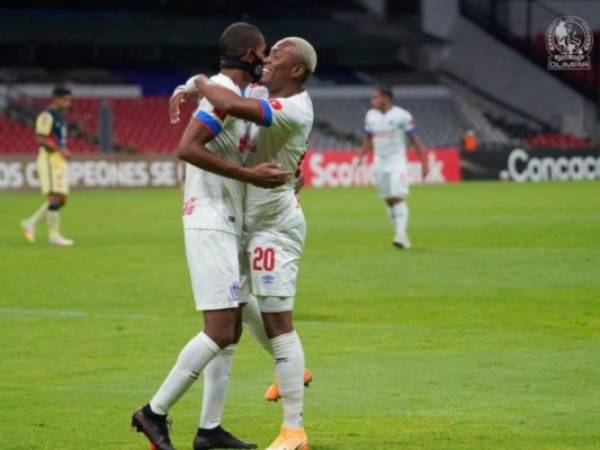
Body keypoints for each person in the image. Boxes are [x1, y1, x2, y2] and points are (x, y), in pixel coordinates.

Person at [131, 23, 291, 450]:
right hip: (208, 219)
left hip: (229, 220)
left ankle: (209, 431)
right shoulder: (221, 94)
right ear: (247, 54)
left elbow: (259, 100)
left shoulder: (238, 95)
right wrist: (247, 174)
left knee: (233, 328)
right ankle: (153, 412)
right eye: (262, 53)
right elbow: (186, 148)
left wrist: (188, 83)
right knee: (219, 329)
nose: (266, 61)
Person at [186, 35, 316, 450]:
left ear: (295, 70)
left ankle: (293, 430)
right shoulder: (263, 89)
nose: (266, 58)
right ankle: (216, 424)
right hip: (246, 221)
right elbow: (235, 95)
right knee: (235, 305)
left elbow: (233, 104)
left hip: (274, 228)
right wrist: (185, 90)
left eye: (276, 55)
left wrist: (198, 81)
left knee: (279, 325)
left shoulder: (293, 106)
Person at [359, 86, 428, 249]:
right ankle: (400, 235)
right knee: (389, 200)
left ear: (386, 98)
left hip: (397, 161)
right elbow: (368, 138)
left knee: (397, 196)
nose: (372, 101)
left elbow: (414, 139)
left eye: (375, 97)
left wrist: (424, 162)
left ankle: (400, 234)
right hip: (379, 162)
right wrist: (361, 155)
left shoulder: (402, 116)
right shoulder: (371, 116)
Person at [21, 86, 74, 246]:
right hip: (49, 158)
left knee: (62, 199)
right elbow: (41, 139)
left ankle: (31, 222)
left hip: (58, 159)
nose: (68, 104)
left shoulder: (59, 116)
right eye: (65, 100)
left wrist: (62, 152)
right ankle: (54, 236)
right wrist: (61, 150)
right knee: (55, 197)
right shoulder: (46, 116)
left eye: (69, 100)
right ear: (56, 98)